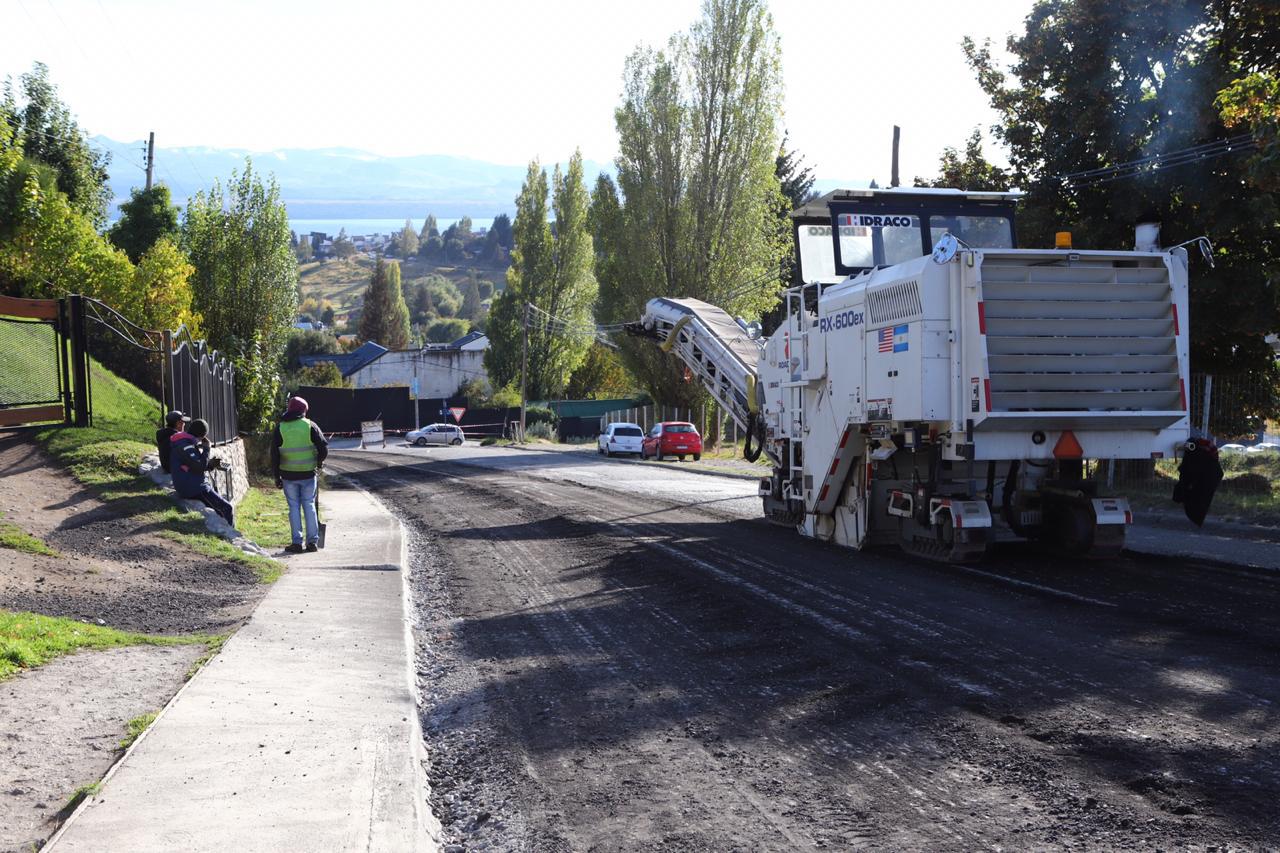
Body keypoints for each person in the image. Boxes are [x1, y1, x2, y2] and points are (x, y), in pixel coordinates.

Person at [271, 396, 328, 554]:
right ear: (304, 410)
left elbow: (274, 455)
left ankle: (296, 543)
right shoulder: (310, 426)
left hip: (288, 476)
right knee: (309, 505)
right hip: (308, 474)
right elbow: (323, 449)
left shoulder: (280, 428)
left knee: (294, 507)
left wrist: (277, 477)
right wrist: (318, 463)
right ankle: (312, 542)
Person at [169, 418, 235, 527]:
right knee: (226, 508)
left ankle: (225, 530)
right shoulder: (185, 445)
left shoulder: (186, 442)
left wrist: (209, 465)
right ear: (201, 435)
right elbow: (198, 467)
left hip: (192, 483)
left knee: (220, 503)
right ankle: (230, 535)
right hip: (194, 488)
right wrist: (206, 449)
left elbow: (194, 464)